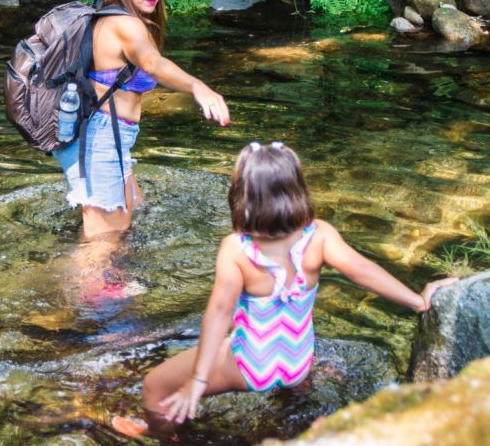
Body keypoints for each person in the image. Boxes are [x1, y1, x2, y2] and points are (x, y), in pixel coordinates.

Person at [111, 142, 458, 437]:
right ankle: (293, 408)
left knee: (155, 385)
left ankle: (164, 437)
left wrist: (198, 380)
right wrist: (419, 301)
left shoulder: (237, 249)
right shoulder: (319, 235)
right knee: (261, 340)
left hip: (252, 367)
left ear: (241, 197)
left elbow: (219, 314)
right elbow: (363, 272)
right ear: (296, 191)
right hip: (297, 361)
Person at [53, 0, 230, 241]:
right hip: (99, 140)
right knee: (103, 244)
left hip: (106, 137)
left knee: (135, 211)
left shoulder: (108, 14)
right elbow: (153, 64)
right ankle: (62, 287)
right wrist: (197, 86)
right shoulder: (126, 25)